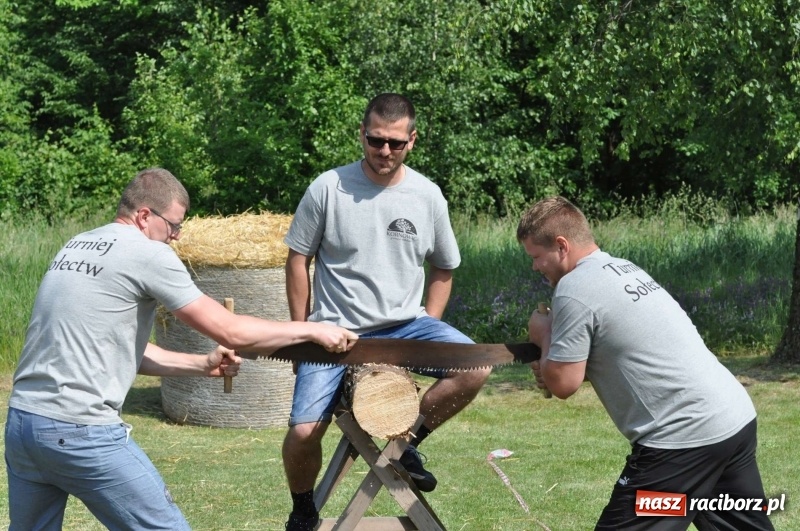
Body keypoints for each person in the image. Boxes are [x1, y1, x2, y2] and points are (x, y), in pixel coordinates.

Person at [5, 168, 358, 531]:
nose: (175, 237)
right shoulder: (146, 253)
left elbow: (115, 351)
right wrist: (312, 329)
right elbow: (232, 331)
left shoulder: (76, 244)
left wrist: (201, 364)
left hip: (22, 426)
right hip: (80, 430)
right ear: (144, 216)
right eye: (173, 226)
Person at [281, 93, 491, 530]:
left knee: (477, 367)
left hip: (406, 326)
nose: (384, 151)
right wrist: (302, 332)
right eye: (376, 140)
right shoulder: (328, 187)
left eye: (395, 143)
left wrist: (430, 323)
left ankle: (407, 444)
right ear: (362, 133)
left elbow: (444, 266)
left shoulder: (427, 195)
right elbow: (298, 259)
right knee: (303, 431)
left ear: (412, 141)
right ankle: (303, 508)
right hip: (333, 332)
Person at [518, 196, 774, 530]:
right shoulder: (622, 268)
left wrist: (544, 337)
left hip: (682, 441)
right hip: (731, 420)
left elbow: (564, 384)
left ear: (561, 245)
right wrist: (554, 361)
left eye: (537, 257)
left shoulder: (574, 287)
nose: (536, 267)